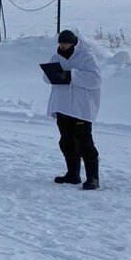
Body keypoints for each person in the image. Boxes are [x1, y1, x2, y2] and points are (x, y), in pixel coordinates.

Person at [44, 30, 102, 190]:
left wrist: (71, 76)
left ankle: (93, 178)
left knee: (85, 143)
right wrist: (52, 75)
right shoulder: (56, 57)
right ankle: (73, 174)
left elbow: (96, 80)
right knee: (66, 141)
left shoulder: (86, 57)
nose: (62, 46)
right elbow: (46, 77)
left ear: (74, 42)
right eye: (60, 43)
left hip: (80, 108)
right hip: (62, 107)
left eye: (65, 43)